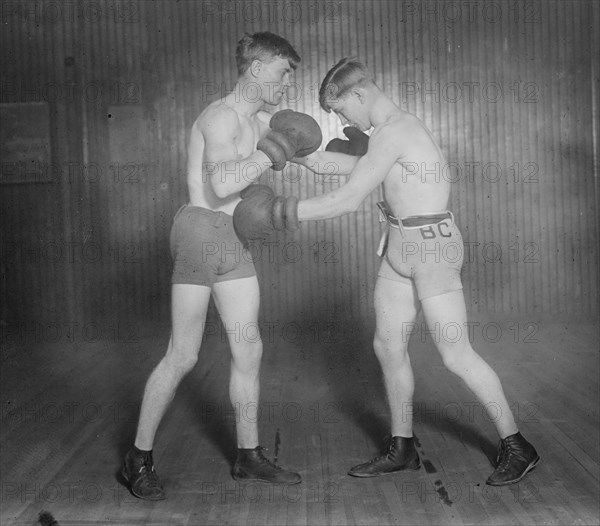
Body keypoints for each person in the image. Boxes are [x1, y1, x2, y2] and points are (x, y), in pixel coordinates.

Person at [233, 57, 540, 486]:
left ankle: (517, 445)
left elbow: (347, 200)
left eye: (341, 110)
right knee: (388, 347)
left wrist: (282, 213)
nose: (342, 119)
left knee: (456, 354)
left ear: (358, 94)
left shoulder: (400, 131)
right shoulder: (384, 138)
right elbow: (325, 164)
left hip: (432, 248)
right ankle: (403, 447)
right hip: (398, 245)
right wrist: (270, 129)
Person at [121, 32, 322, 500]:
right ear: (256, 69)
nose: (289, 81)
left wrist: (371, 158)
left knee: (249, 350)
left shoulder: (266, 121)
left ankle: (248, 456)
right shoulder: (219, 117)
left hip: (233, 237)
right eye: (283, 70)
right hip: (199, 230)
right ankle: (138, 457)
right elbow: (220, 183)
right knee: (183, 355)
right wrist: (271, 151)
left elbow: (319, 161)